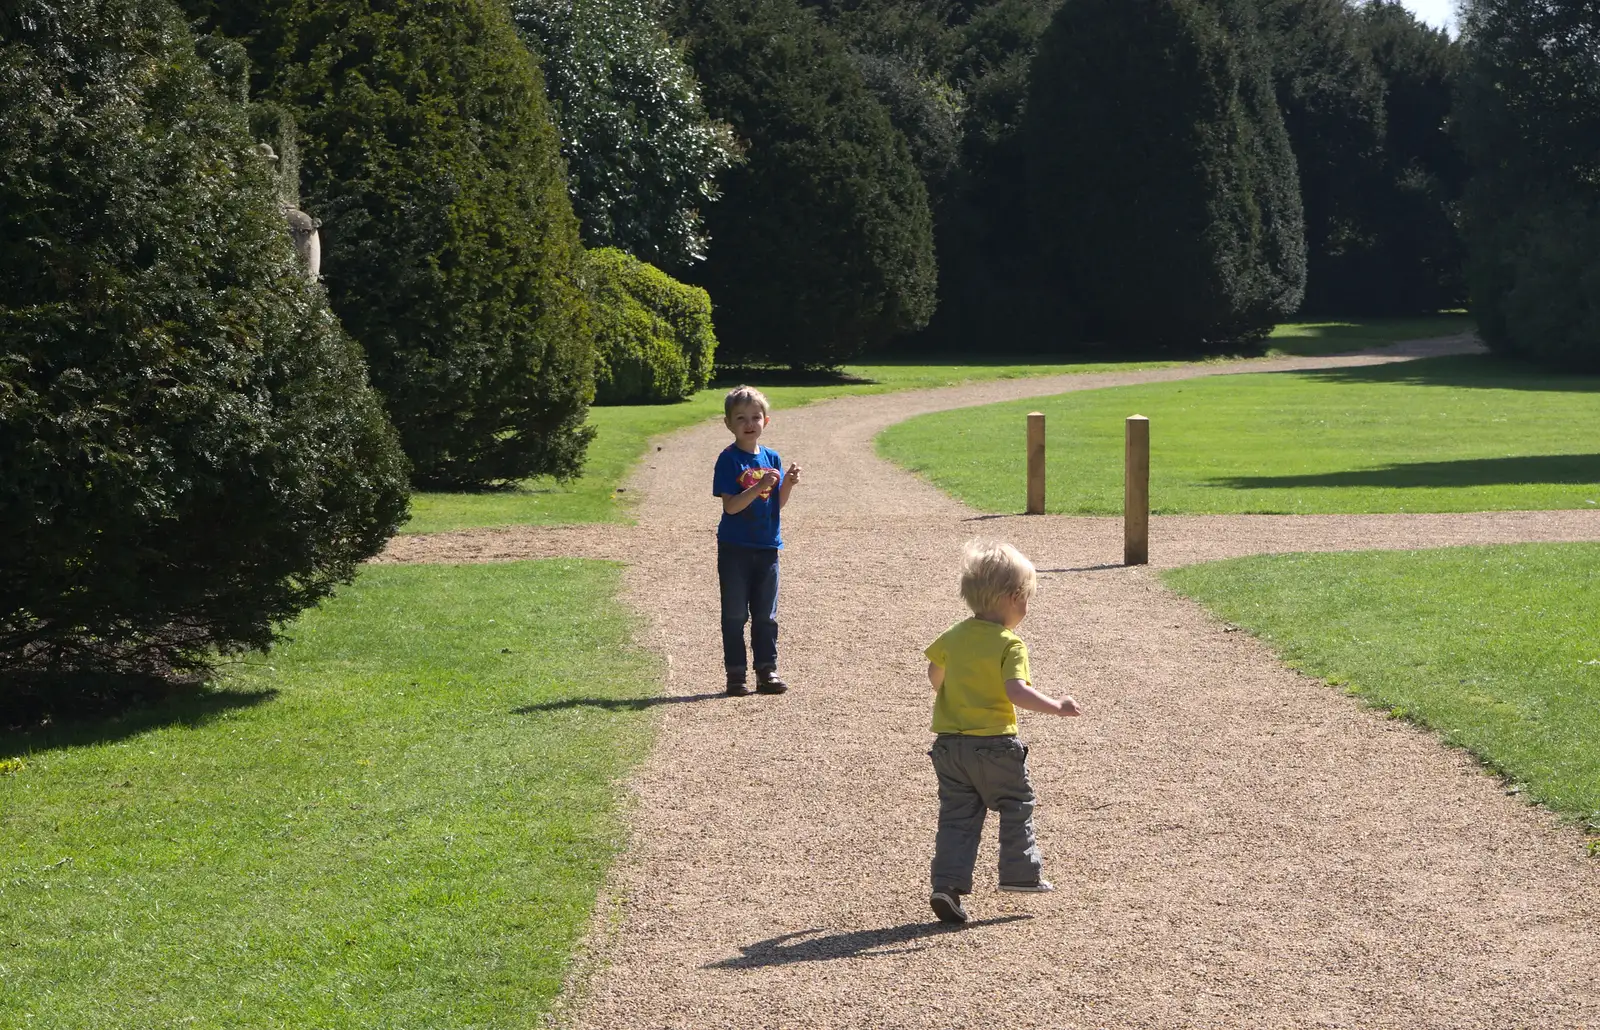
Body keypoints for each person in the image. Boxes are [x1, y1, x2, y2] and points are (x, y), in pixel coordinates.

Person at [923, 539, 1080, 924]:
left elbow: (935, 676)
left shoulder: (954, 635)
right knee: (1015, 804)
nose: (1026, 609)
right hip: (994, 743)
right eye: (1026, 600)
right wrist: (1056, 706)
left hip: (949, 747)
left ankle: (947, 885)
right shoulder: (1010, 643)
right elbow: (1016, 691)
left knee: (958, 817)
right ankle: (1021, 874)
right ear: (1012, 598)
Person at [712, 385, 801, 696]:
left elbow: (776, 503)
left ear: (766, 421)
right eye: (741, 418)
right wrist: (761, 484)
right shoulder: (728, 460)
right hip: (735, 548)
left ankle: (767, 670)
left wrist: (786, 483)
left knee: (766, 614)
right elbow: (731, 506)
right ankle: (736, 675)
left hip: (767, 546)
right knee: (735, 614)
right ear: (728, 424)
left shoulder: (771, 457)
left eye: (755, 417)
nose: (749, 424)